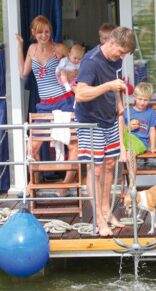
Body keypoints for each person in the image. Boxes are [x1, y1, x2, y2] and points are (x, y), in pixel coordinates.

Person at [75, 26, 136, 237]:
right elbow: (80, 93)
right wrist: (108, 86)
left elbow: (116, 88)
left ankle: (106, 210)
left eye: (125, 54)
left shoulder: (116, 60)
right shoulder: (91, 62)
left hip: (109, 118)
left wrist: (118, 105)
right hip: (90, 121)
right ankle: (99, 219)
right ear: (111, 43)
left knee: (110, 165)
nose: (122, 57)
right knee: (96, 169)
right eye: (121, 52)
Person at [16, 15, 77, 197]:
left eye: (47, 31)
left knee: (73, 144)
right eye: (40, 32)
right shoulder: (32, 49)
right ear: (34, 33)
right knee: (32, 147)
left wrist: (66, 69)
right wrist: (20, 46)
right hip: (44, 105)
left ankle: (65, 185)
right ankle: (33, 183)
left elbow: (79, 68)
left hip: (64, 100)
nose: (44, 35)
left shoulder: (60, 48)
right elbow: (22, 73)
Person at [123, 82, 156, 186]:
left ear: (149, 99)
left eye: (146, 100)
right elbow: (122, 130)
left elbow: (152, 131)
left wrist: (152, 147)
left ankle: (132, 185)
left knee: (130, 153)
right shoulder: (127, 112)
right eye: (140, 99)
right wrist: (128, 127)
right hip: (126, 140)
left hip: (140, 142)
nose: (143, 102)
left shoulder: (151, 113)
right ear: (134, 97)